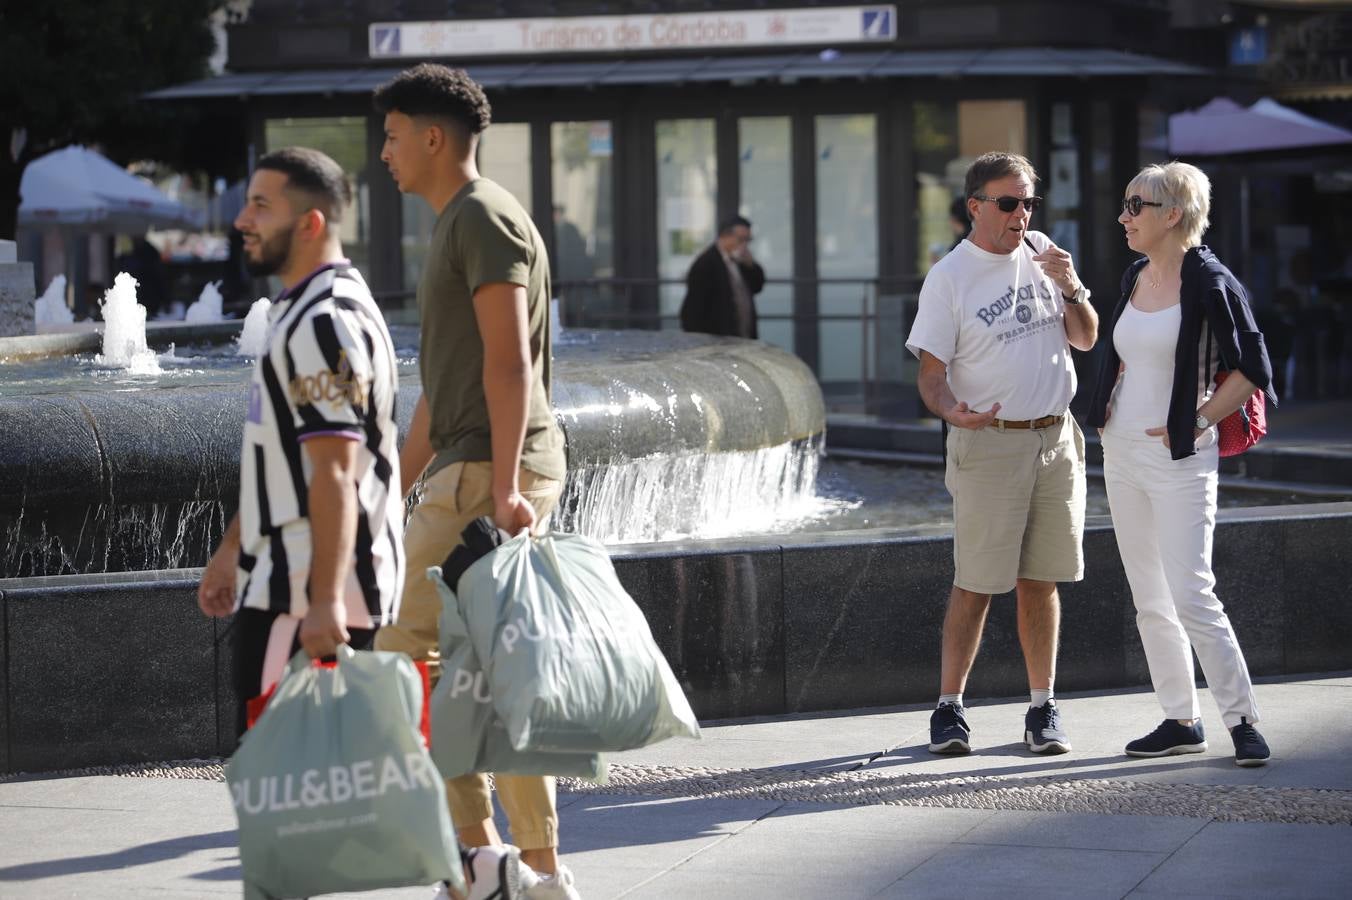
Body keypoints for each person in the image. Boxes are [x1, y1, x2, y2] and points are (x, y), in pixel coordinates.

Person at [374, 64, 577, 900]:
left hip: (490, 473)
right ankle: (531, 869)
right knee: (488, 674)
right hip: (477, 466)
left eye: (390, 137)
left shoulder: (483, 217)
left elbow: (506, 362)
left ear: (431, 137)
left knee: (398, 659)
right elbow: (446, 386)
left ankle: (483, 861)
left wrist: (502, 487)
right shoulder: (462, 222)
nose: (382, 154)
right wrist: (388, 487)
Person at [196, 146, 404, 736]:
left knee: (290, 790)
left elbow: (336, 471)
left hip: (304, 594)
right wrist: (235, 548)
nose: (242, 221)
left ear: (310, 223)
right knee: (315, 791)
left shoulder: (323, 322)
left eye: (261, 206)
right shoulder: (324, 307)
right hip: (300, 584)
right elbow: (290, 456)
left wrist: (324, 601)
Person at [904, 151, 1098, 756]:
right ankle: (949, 708)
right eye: (1009, 203)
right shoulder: (950, 277)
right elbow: (932, 376)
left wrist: (1070, 285)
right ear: (976, 207)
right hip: (989, 443)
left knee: (1041, 581)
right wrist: (949, 411)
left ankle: (1042, 709)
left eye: (1029, 202)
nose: (1022, 215)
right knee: (977, 583)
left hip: (1056, 437)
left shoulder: (1043, 253)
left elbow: (1087, 336)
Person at [1086, 162, 1274, 766]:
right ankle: (1180, 718)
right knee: (1149, 595)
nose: (1124, 217)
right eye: (1125, 204)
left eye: (1135, 206)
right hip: (1121, 450)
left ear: (1173, 214)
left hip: (1180, 456)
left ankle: (1241, 720)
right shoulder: (1136, 274)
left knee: (1191, 590)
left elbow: (1252, 370)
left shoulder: (1211, 281)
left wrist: (1194, 420)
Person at [679, 214, 765, 338]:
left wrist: (751, 266)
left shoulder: (741, 260)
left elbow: (757, 286)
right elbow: (692, 311)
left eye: (748, 240)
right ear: (724, 236)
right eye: (741, 239)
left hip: (742, 336)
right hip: (719, 340)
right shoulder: (705, 264)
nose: (745, 244)